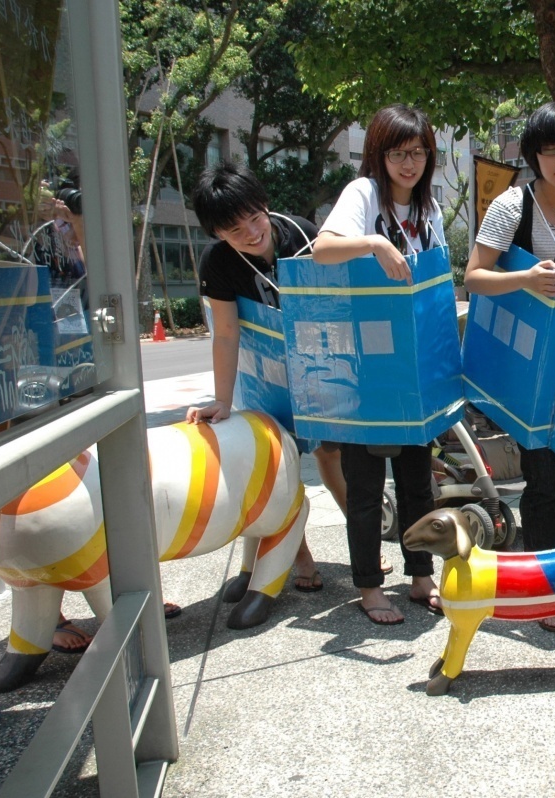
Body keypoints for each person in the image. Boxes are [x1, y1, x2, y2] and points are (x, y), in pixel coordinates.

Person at [464, 101, 555, 633]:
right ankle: (544, 593)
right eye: (551, 148)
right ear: (533, 154)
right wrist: (526, 278)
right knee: (545, 480)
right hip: (534, 367)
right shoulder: (512, 204)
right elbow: (474, 276)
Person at [186, 161, 360, 592]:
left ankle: (365, 548)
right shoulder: (218, 262)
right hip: (264, 373)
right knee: (278, 463)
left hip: (322, 363)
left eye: (253, 218)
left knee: (332, 454)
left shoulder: (302, 234)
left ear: (264, 205)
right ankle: (299, 559)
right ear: (217, 235)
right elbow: (226, 334)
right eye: (233, 230)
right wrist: (222, 401)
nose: (250, 233)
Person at [313, 104, 445, 625]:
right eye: (397, 153)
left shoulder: (429, 209)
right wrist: (373, 242)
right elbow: (323, 250)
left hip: (413, 365)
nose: (408, 164)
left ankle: (420, 576)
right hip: (364, 368)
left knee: (418, 480)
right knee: (365, 485)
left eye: (416, 153)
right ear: (379, 154)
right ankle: (368, 586)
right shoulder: (363, 195)